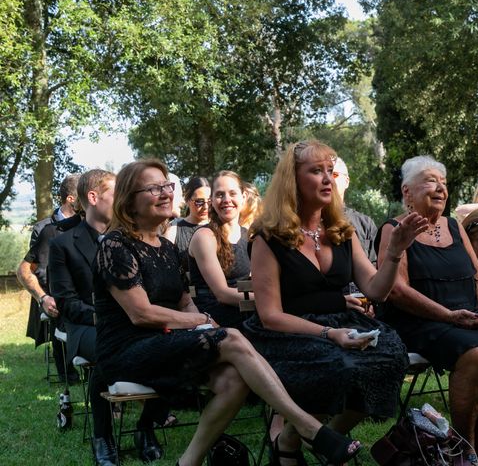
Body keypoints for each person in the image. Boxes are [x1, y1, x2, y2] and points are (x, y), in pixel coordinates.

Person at [93, 159, 361, 466]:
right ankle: (308, 427)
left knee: (234, 379)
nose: (166, 193)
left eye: (167, 186)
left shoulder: (165, 247)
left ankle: (188, 462)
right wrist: (205, 321)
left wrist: (207, 326)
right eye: (154, 188)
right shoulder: (115, 245)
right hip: (126, 350)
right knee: (231, 336)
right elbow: (140, 313)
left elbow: (183, 302)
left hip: (165, 343)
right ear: (129, 199)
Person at [245, 140, 428, 463]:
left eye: (330, 171)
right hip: (288, 332)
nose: (328, 179)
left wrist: (396, 251)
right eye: (317, 171)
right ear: (293, 180)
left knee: (392, 355)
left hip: (342, 324)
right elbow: (271, 315)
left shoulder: (342, 231)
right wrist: (329, 334)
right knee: (339, 365)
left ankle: (298, 438)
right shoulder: (268, 237)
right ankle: (309, 438)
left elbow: (376, 290)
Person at [376, 155, 478, 466]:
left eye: (443, 183)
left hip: (467, 317)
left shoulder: (454, 226)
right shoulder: (393, 229)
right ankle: (463, 447)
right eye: (430, 181)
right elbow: (397, 291)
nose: (440, 188)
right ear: (407, 192)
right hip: (420, 321)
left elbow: (477, 273)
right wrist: (447, 315)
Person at [48, 169, 172, 465]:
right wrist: (110, 319)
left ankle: (145, 427)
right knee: (109, 348)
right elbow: (66, 302)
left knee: (174, 346)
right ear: (93, 197)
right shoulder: (62, 244)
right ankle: (102, 437)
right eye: (118, 193)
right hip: (86, 328)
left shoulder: (133, 239)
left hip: (138, 322)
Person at [17, 173, 80, 382]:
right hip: (54, 291)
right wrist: (47, 296)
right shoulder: (45, 228)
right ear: (71, 198)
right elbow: (38, 268)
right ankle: (67, 372)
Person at [188, 171, 251, 330]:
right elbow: (222, 294)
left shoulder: (249, 235)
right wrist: (268, 302)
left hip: (248, 309)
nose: (226, 200)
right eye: (220, 195)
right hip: (216, 317)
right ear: (212, 201)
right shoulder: (205, 236)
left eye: (232, 193)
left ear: (243, 197)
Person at [333, 157, 378, 263]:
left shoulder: (365, 223)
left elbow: (376, 265)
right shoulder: (310, 224)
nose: (328, 179)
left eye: (334, 174)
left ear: (347, 181)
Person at [163, 176, 211, 271]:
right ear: (187, 200)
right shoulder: (174, 229)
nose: (206, 207)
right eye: (199, 202)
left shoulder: (220, 226)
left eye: (210, 201)